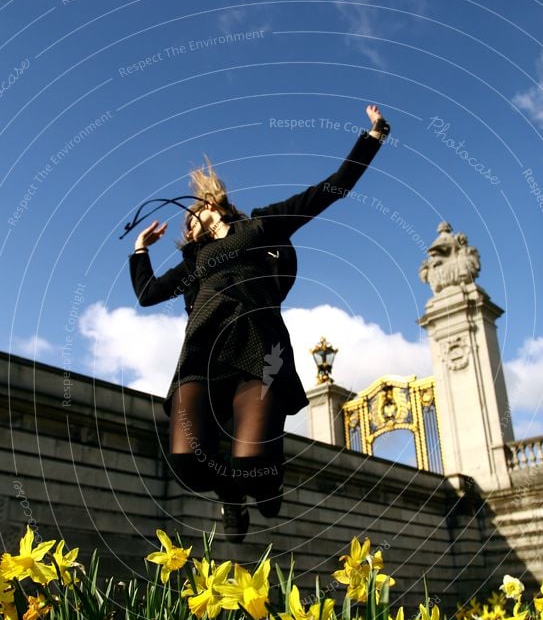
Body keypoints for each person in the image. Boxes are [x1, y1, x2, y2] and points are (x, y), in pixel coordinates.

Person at [129, 104, 390, 542]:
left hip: (258, 345)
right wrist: (140, 250)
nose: (187, 223)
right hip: (203, 353)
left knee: (255, 467)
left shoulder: (261, 228)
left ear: (212, 205)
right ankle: (231, 496)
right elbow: (148, 293)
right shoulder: (193, 261)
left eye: (193, 213)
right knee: (189, 463)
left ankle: (265, 484)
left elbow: (328, 190)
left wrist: (373, 137)